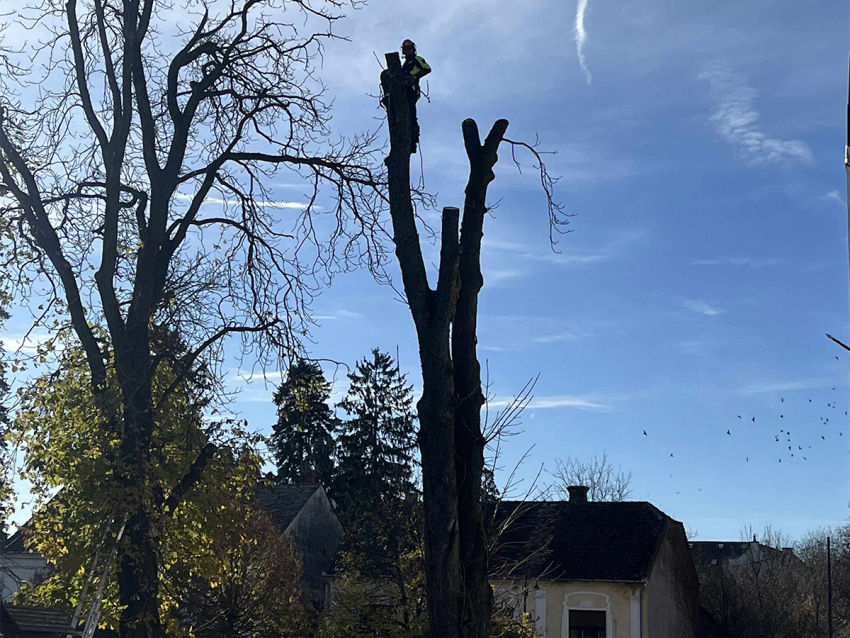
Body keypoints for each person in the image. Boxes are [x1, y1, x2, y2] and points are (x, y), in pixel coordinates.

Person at [381, 39, 431, 153]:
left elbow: (427, 68)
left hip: (411, 91)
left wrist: (414, 76)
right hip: (403, 90)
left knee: (411, 116)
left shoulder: (416, 60)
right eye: (405, 49)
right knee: (397, 113)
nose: (407, 51)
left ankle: (412, 141)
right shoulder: (404, 65)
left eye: (409, 49)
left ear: (413, 49)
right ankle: (399, 135)